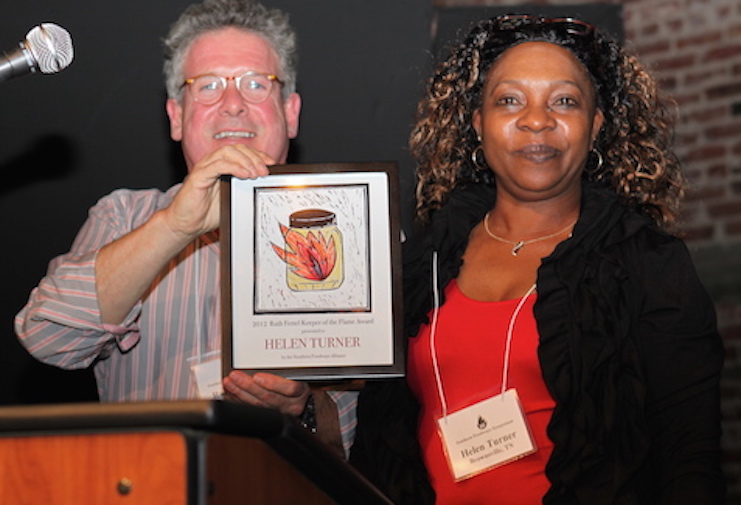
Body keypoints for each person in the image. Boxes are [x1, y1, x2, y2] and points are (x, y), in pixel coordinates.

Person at [350, 14, 725, 504]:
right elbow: (376, 437)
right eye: (509, 100)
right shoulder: (425, 260)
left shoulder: (647, 264)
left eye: (564, 101)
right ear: (477, 123)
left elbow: (689, 456)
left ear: (595, 126)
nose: (536, 119)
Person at [15, 0, 356, 457]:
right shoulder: (124, 217)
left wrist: (304, 409)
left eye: (256, 84)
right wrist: (176, 226)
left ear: (290, 112)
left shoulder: (353, 233)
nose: (233, 105)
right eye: (208, 86)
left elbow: (365, 441)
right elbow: (48, 338)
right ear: (176, 116)